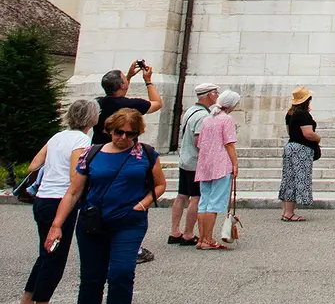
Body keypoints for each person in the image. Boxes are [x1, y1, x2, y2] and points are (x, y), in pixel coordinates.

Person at [44, 105, 167, 304]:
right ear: (109, 129)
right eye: (119, 132)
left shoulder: (146, 154)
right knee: (91, 277)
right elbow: (74, 192)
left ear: (137, 134)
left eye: (130, 134)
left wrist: (142, 204)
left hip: (129, 221)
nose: (123, 138)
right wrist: (56, 225)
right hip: (94, 221)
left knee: (121, 273)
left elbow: (160, 184)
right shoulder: (91, 154)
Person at [10, 98, 98, 304]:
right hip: (62, 200)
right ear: (92, 118)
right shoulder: (82, 139)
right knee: (54, 257)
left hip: (43, 199)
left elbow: (33, 166)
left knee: (45, 253)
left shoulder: (57, 137)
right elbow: (75, 174)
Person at [94, 63, 163, 260]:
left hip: (100, 153)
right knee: (130, 196)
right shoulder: (130, 106)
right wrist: (148, 80)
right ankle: (134, 247)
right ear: (123, 86)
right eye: (125, 81)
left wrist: (128, 77)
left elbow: (115, 94)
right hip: (125, 156)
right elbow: (157, 103)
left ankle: (102, 238)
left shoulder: (98, 103)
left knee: (101, 196)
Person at [169, 82, 218, 244]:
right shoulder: (203, 116)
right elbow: (199, 141)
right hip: (196, 163)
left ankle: (175, 231)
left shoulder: (191, 111)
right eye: (215, 93)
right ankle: (188, 233)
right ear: (209, 95)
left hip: (185, 160)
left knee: (182, 195)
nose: (217, 96)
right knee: (196, 197)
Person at [194, 88, 240, 249]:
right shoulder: (226, 119)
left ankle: (201, 238)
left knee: (204, 202)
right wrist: (235, 164)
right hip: (220, 163)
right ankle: (208, 239)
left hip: (205, 163)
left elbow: (199, 143)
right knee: (213, 203)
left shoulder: (207, 119)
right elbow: (229, 143)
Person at [280, 87, 319, 221]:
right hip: (301, 149)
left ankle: (287, 211)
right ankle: (290, 213)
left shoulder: (290, 113)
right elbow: (308, 134)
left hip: (291, 147)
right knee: (298, 179)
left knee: (289, 179)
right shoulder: (303, 115)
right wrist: (318, 138)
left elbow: (289, 132)